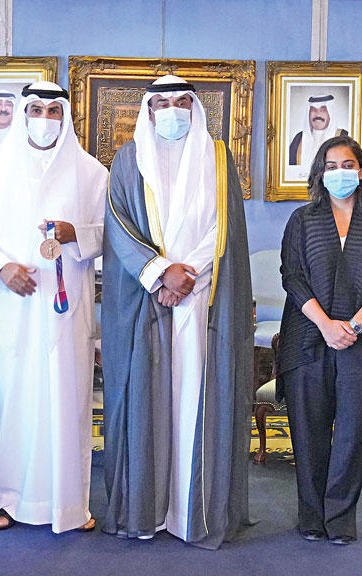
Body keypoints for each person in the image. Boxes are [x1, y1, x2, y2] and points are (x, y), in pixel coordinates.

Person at [101, 75, 253, 549]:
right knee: (148, 401)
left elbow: (224, 228)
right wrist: (161, 273)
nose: (172, 110)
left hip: (202, 299)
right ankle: (147, 510)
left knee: (194, 400)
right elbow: (118, 225)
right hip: (146, 298)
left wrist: (188, 275)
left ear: (194, 107)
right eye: (162, 102)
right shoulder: (127, 160)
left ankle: (192, 513)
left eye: (181, 101)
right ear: (148, 110)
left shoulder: (219, 158)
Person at [0, 81, 107, 533]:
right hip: (17, 305)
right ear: (24, 114)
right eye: (37, 110)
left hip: (67, 310)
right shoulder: (0, 168)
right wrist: (2, 266)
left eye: (53, 111)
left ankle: (69, 505)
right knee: (15, 398)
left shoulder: (90, 172)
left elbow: (108, 234)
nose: (45, 119)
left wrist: (76, 234)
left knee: (68, 400)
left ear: (65, 116)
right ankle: (8, 499)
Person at [278, 135, 362, 544]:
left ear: (361, 170)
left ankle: (340, 519)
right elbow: (292, 277)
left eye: (347, 164)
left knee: (353, 435)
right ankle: (311, 517)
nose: (339, 172)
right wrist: (326, 325)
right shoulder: (302, 220)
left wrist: (353, 326)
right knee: (308, 433)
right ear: (320, 173)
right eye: (330, 166)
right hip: (308, 339)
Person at [289, 93, 348, 167]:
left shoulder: (343, 137)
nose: (318, 115)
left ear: (330, 113)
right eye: (313, 110)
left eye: (323, 110)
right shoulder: (299, 138)